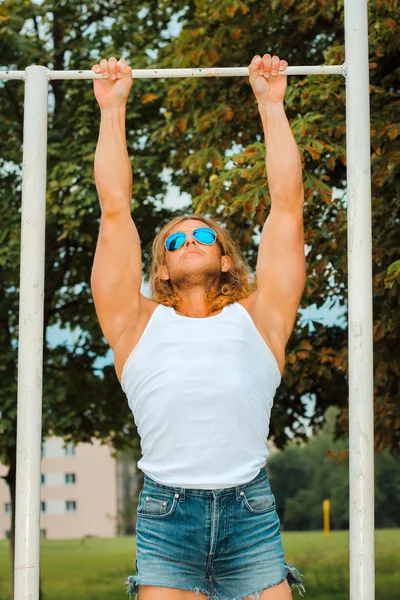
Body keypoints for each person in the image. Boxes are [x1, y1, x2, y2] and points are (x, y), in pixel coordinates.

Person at [91, 53, 306, 600]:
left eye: (204, 236)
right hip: (168, 516)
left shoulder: (261, 318)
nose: (190, 241)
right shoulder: (134, 323)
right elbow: (115, 209)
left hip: (250, 513)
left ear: (228, 258)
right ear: (160, 266)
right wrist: (112, 109)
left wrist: (271, 104)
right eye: (175, 241)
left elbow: (286, 207)